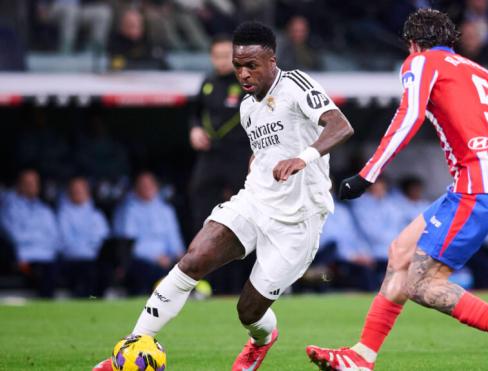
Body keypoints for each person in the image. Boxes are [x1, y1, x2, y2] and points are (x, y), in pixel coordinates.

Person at [306, 9, 488, 371]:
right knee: (400, 253)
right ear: (451, 41)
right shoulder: (484, 74)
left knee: (422, 283)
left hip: (478, 189)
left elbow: (408, 116)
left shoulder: (420, 63)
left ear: (412, 44)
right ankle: (362, 357)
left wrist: (367, 174)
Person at [94, 21, 353, 371]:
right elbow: (265, 151)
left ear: (272, 60)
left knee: (248, 311)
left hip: (299, 220)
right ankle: (130, 348)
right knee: (193, 259)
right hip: (255, 202)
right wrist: (259, 165)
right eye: (237, 65)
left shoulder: (296, 85)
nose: (243, 74)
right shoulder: (247, 107)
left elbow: (340, 125)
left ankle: (262, 340)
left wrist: (301, 158)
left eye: (252, 65)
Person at [189, 34, 253, 294]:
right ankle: (201, 275)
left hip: (240, 155)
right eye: (216, 56)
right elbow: (194, 112)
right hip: (211, 155)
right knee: (199, 201)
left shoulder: (247, 82)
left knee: (249, 214)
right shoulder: (208, 82)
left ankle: (250, 281)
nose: (221, 61)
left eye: (226, 56)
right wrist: (194, 130)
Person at [113, 172, 185, 295]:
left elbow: (174, 239)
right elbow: (128, 244)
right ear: (136, 188)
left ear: (156, 187)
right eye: (143, 185)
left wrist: (180, 256)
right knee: (152, 272)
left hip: (166, 260)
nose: (147, 188)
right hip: (141, 261)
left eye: (150, 185)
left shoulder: (166, 210)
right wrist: (155, 257)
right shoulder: (128, 210)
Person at [0, 170, 60, 298]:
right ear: (19, 185)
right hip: (23, 259)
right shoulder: (9, 208)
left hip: (47, 258)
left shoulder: (44, 210)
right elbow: (15, 236)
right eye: (27, 183)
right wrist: (40, 237)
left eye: (34, 183)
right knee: (40, 274)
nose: (31, 187)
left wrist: (32, 236)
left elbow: (54, 237)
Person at [58, 176, 109, 297]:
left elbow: (104, 239)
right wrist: (89, 251)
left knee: (105, 270)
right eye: (75, 190)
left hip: (95, 259)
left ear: (87, 192)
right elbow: (64, 242)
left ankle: (98, 304)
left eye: (81, 190)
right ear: (69, 193)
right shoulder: (63, 215)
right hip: (73, 260)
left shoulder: (96, 215)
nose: (78, 193)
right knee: (86, 271)